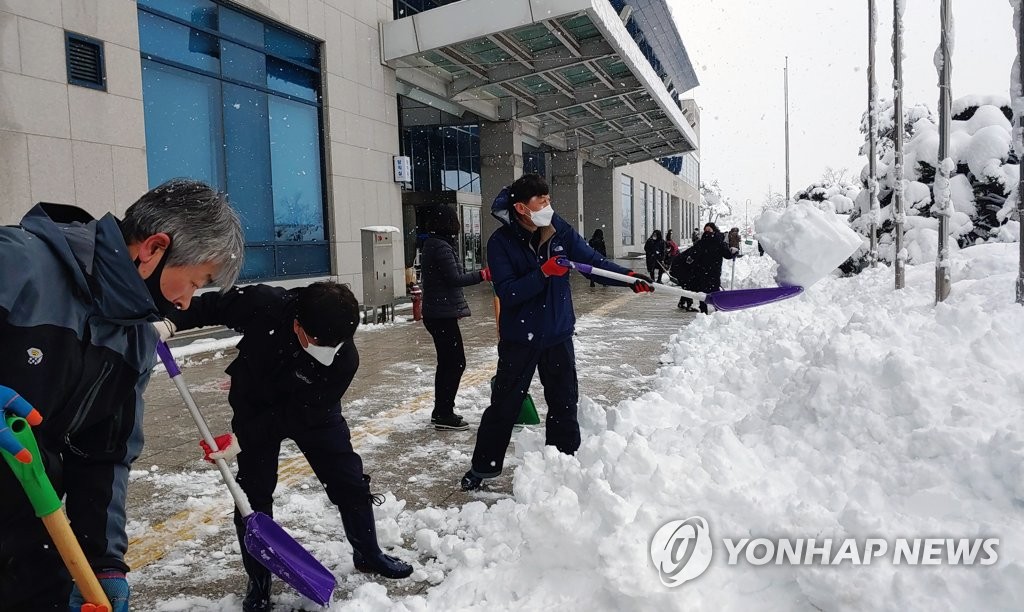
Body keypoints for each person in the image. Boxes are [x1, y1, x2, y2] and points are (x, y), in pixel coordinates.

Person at [0, 179, 244, 612]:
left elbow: (105, 453)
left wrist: (104, 561)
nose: (187, 302)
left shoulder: (134, 341)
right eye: (193, 281)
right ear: (153, 249)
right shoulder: (18, 263)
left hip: (33, 530)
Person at [167, 281, 413, 612]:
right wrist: (167, 322)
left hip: (312, 413)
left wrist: (241, 441)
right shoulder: (262, 304)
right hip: (253, 399)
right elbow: (210, 306)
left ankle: (368, 553)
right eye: (318, 341)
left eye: (335, 344)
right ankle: (259, 581)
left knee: (349, 481)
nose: (327, 349)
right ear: (297, 324)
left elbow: (298, 416)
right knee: (252, 495)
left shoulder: (343, 359)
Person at [460, 174, 653, 491]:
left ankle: (564, 461)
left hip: (558, 335)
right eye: (541, 201)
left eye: (549, 199)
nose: (548, 205)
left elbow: (593, 262)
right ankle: (483, 468)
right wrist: (544, 272)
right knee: (504, 407)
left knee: (565, 403)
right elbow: (507, 293)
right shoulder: (500, 243)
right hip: (520, 340)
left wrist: (630, 278)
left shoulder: (558, 230)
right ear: (522, 207)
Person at [419, 205, 490, 431]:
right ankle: (443, 412)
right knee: (455, 363)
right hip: (440, 314)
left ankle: (442, 410)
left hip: (438, 312)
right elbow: (455, 278)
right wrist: (483, 274)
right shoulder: (440, 247)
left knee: (449, 362)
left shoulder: (435, 244)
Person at [670, 222, 739, 313]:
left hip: (714, 271)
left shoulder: (719, 242)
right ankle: (703, 311)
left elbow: (727, 254)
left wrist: (733, 252)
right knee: (702, 292)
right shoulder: (701, 243)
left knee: (715, 290)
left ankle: (718, 310)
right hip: (701, 271)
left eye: (709, 230)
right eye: (705, 230)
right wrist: (688, 260)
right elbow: (693, 253)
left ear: (714, 230)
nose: (707, 232)